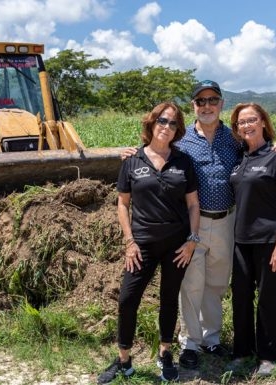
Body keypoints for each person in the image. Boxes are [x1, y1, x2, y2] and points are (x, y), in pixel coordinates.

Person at [119, 80, 276, 370]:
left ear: (221, 104)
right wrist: (131, 152)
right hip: (191, 225)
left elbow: (257, 149)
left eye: (212, 100)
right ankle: (190, 343)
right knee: (191, 284)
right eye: (201, 101)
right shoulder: (182, 141)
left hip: (227, 220)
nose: (207, 106)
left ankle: (211, 337)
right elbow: (155, 149)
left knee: (217, 283)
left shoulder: (234, 139)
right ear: (194, 107)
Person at [97, 102, 201, 384]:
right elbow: (122, 204)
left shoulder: (183, 162)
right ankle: (123, 360)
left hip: (177, 245)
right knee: (127, 299)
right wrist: (129, 241)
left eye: (173, 123)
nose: (167, 127)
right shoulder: (132, 161)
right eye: (162, 121)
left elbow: (193, 204)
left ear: (178, 130)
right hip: (141, 244)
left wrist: (192, 239)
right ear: (152, 123)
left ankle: (166, 353)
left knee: (169, 299)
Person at [228, 102, 276, 376]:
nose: (246, 125)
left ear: (263, 123)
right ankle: (242, 350)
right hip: (241, 239)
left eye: (251, 120)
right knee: (240, 296)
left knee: (268, 297)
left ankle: (267, 356)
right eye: (241, 122)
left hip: (270, 240)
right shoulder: (240, 157)